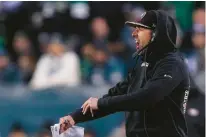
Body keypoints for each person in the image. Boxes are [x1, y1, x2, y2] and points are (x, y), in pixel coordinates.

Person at [59, 10, 190, 137]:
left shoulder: (172, 63)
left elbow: (148, 97)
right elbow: (113, 96)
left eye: (140, 29)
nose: (133, 34)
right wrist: (74, 117)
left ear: (156, 34)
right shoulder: (141, 65)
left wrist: (101, 103)